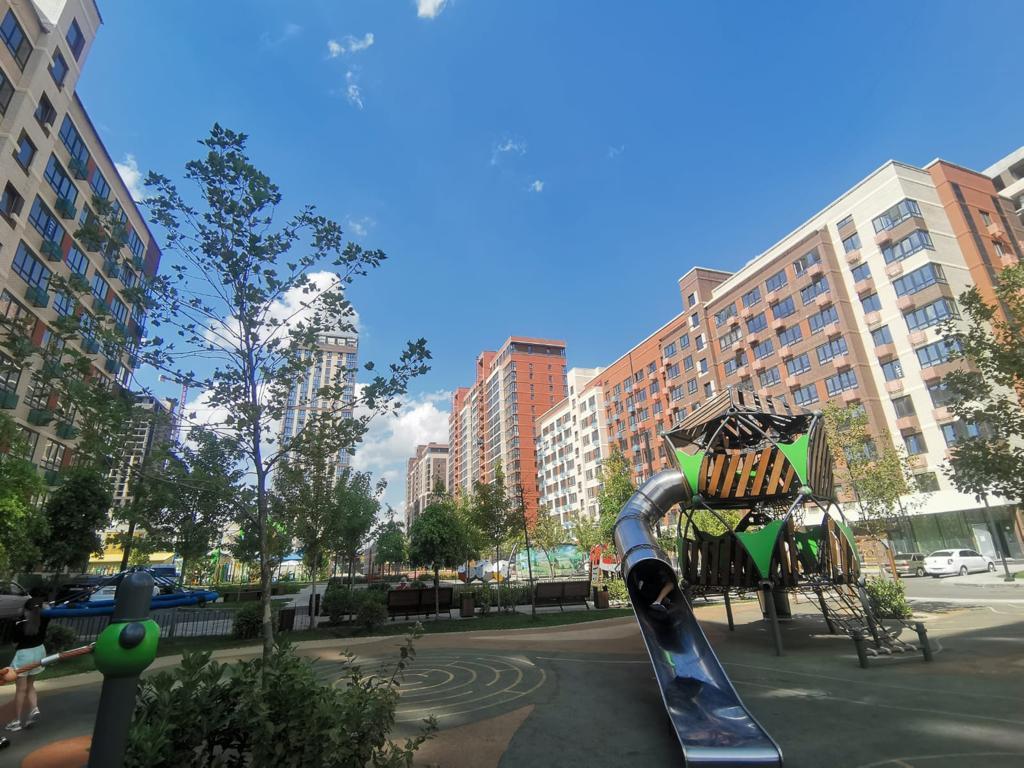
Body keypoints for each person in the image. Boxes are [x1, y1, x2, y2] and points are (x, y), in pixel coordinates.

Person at [4, 588, 48, 732]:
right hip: (39, 652)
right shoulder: (44, 620)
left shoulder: (19, 625)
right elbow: (47, 607)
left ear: (26, 610)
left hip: (24, 655)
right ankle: (34, 709)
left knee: (20, 690)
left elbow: (14, 643)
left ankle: (17, 721)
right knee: (30, 685)